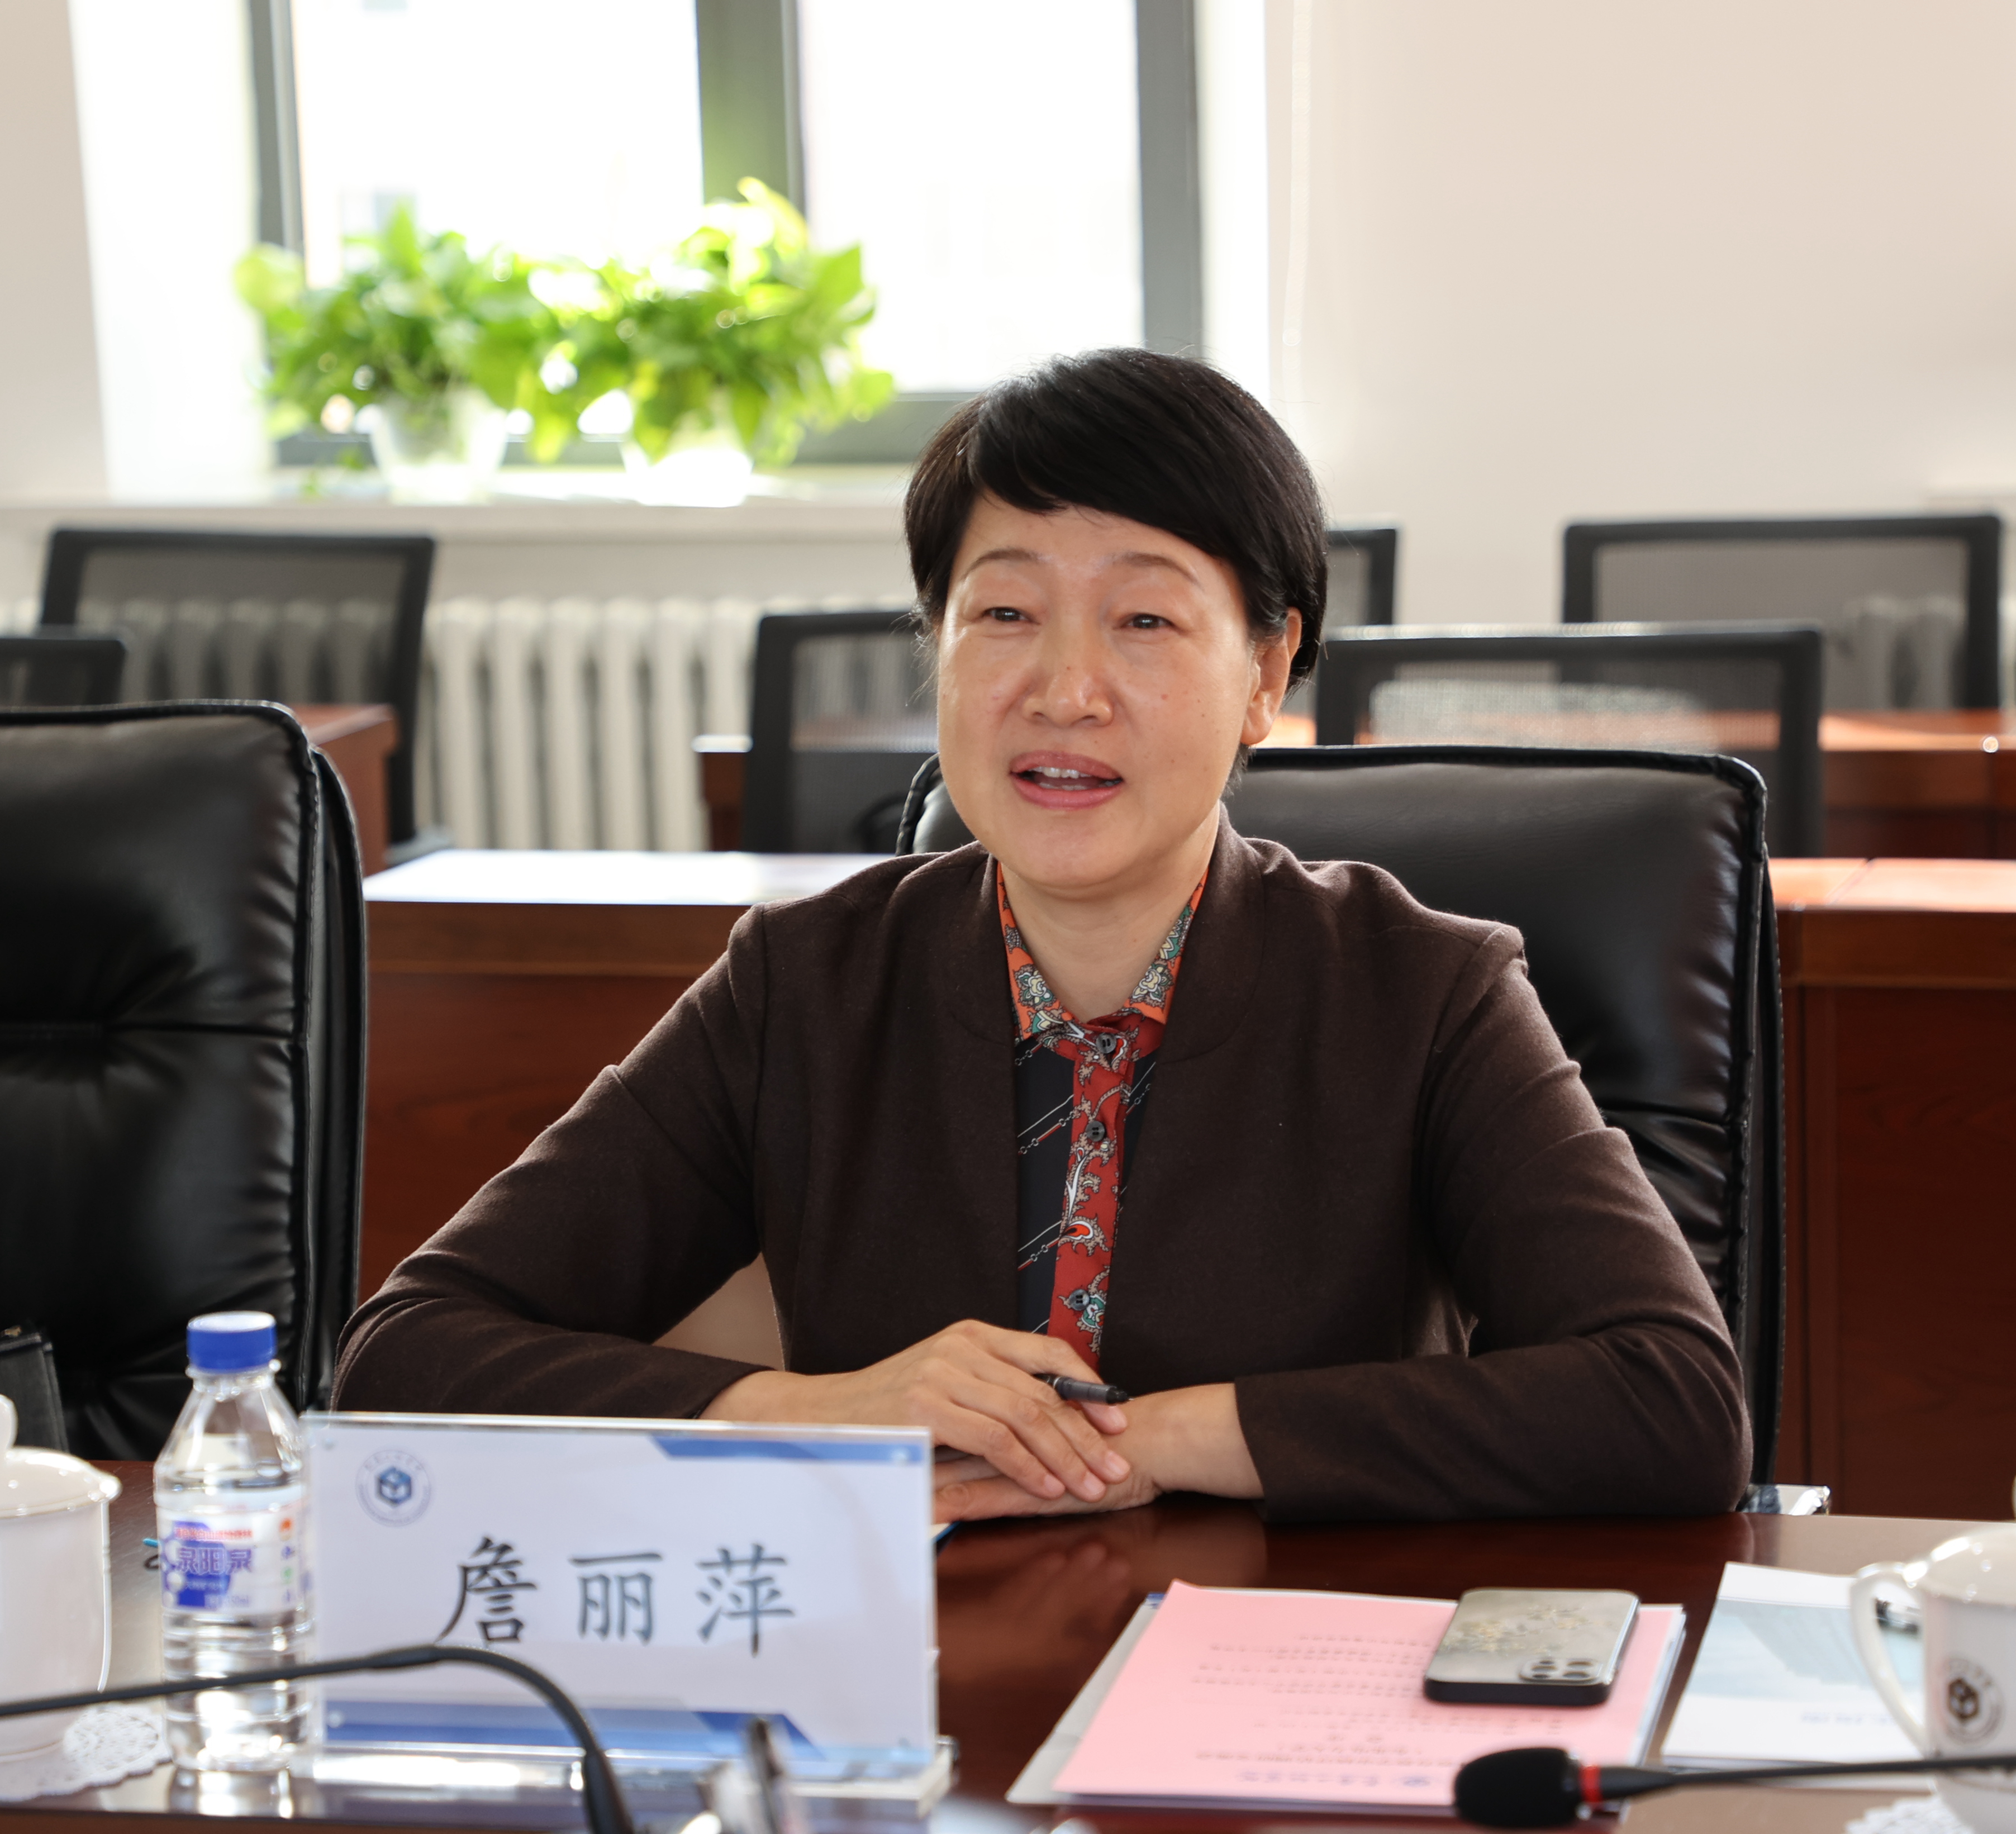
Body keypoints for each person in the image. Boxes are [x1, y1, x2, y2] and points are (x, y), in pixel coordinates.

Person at [335, 348, 1750, 1522]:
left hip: (1283, 1680)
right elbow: (409, 1353)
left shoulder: (1420, 988)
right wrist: (830, 1412)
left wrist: (1155, 1438)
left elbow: (1673, 1400)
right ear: (938, 647)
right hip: (914, 1687)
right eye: (1004, 610)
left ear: (1264, 673)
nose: (1066, 689)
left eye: (1144, 620)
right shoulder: (804, 985)